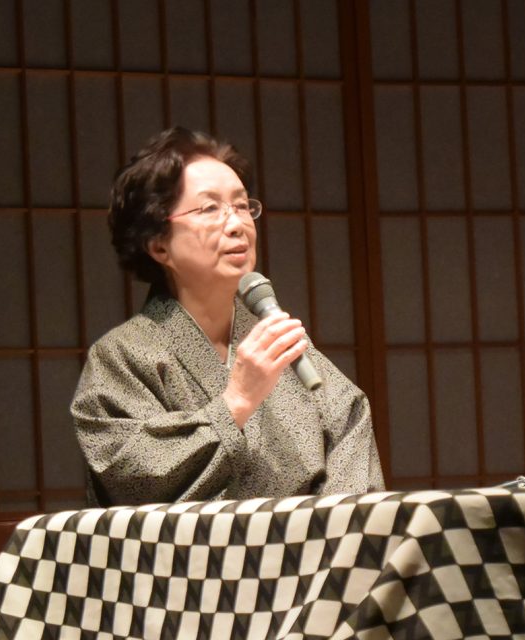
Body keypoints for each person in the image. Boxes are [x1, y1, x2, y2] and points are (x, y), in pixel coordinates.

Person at [70, 127, 384, 507]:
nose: (237, 225)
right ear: (159, 245)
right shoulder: (122, 357)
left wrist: (322, 528)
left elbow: (349, 425)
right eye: (209, 209)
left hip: (310, 543)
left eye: (241, 205)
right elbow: (129, 475)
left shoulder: (282, 346)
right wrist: (236, 402)